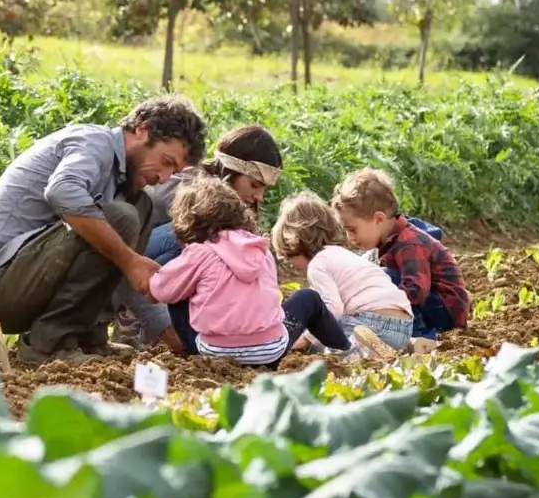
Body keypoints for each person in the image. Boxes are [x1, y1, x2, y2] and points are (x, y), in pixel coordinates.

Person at [0, 95, 207, 365]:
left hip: (30, 282)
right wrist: (129, 259)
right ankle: (48, 346)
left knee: (139, 207)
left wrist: (172, 335)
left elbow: (125, 275)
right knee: (120, 217)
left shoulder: (128, 187)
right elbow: (62, 192)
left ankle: (88, 339)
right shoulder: (93, 143)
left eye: (174, 171)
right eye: (166, 162)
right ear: (142, 130)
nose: (164, 178)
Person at [148, 178, 352, 366]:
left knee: (178, 290)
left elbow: (162, 291)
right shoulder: (260, 248)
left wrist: (155, 278)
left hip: (214, 353)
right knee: (308, 297)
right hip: (270, 351)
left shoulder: (200, 252)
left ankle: (191, 354)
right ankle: (345, 349)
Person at [115, 125, 283, 342]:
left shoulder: (236, 206)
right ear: (230, 171)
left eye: (264, 189)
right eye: (254, 184)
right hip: (131, 258)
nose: (259, 196)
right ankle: (131, 318)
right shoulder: (189, 188)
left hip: (169, 269)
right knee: (193, 239)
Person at [332, 168, 469, 338]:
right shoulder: (389, 239)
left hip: (444, 313)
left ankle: (421, 334)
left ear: (379, 219)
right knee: (368, 269)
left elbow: (416, 291)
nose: (349, 237)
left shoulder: (410, 244)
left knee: (383, 277)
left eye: (352, 229)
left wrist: (376, 304)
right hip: (429, 306)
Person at [271, 192, 413, 354]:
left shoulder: (317, 264)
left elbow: (333, 309)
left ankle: (363, 350)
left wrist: (306, 338)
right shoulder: (341, 254)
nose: (291, 265)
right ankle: (405, 345)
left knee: (321, 346)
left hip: (371, 322)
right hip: (403, 325)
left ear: (295, 242)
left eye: (289, 257)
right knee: (338, 331)